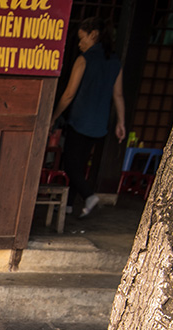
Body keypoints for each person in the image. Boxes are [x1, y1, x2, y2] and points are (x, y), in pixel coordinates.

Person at [52, 16, 126, 219]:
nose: (79, 43)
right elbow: (118, 94)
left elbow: (68, 94)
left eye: (82, 38)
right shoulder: (115, 61)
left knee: (70, 165)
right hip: (99, 124)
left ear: (94, 35)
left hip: (79, 120)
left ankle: (89, 195)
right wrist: (121, 122)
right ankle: (66, 206)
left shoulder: (84, 60)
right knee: (79, 163)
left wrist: (53, 117)